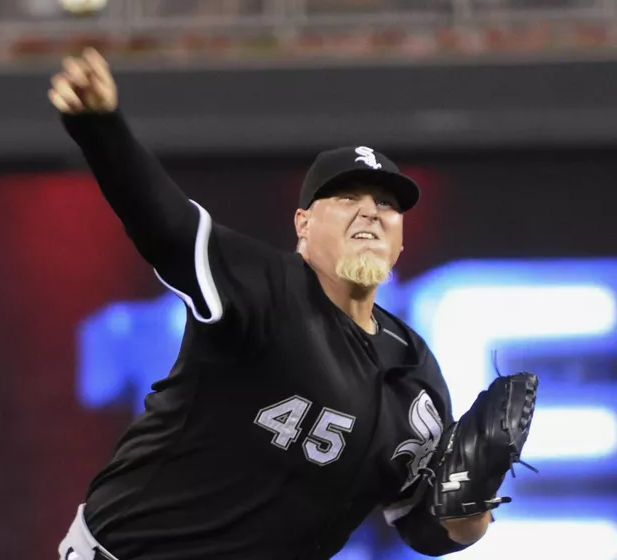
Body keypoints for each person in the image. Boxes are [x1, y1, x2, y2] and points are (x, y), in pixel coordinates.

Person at [48, 48, 494, 560]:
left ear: (399, 242)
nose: (370, 212)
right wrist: (101, 129)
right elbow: (164, 222)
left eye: (387, 205)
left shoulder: (417, 373)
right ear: (303, 225)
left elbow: (425, 529)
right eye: (347, 198)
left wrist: (474, 497)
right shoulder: (263, 288)